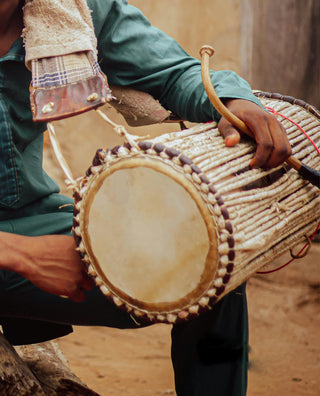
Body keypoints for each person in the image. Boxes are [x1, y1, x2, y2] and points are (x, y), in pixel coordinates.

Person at [0, 0, 292, 395]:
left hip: (27, 216)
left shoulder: (70, 8)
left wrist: (231, 103)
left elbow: (172, 72)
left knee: (208, 257)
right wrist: (23, 255)